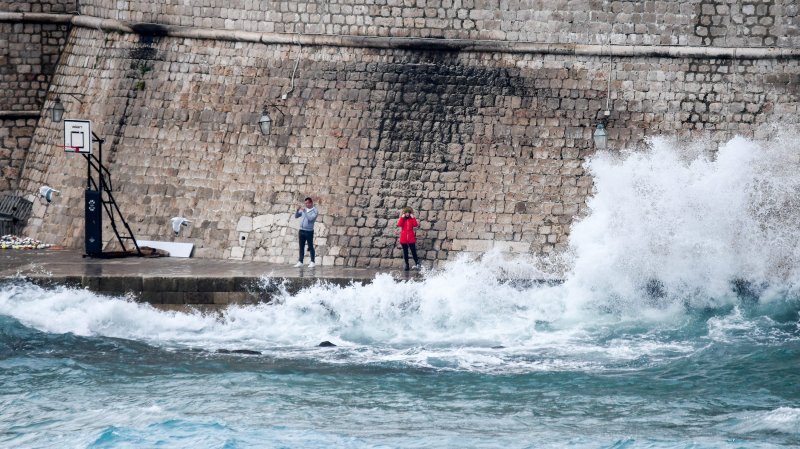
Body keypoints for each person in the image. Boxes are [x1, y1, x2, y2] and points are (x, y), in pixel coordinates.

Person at [294, 197, 318, 268]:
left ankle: (312, 262)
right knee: (301, 246)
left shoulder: (315, 211)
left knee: (310, 246)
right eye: (305, 203)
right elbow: (296, 216)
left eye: (307, 203)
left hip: (309, 231)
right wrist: (297, 210)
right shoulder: (304, 210)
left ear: (311, 203)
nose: (306, 205)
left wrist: (305, 212)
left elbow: (310, 218)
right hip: (301, 230)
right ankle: (300, 261)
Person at [397, 207, 420, 271]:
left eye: (408, 213)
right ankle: (407, 265)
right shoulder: (403, 219)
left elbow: (415, 225)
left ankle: (417, 263)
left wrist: (413, 218)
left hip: (411, 238)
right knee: (405, 253)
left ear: (410, 213)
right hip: (403, 238)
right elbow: (399, 224)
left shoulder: (411, 219)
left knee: (413, 252)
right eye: (406, 212)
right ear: (404, 213)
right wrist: (402, 217)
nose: (407, 214)